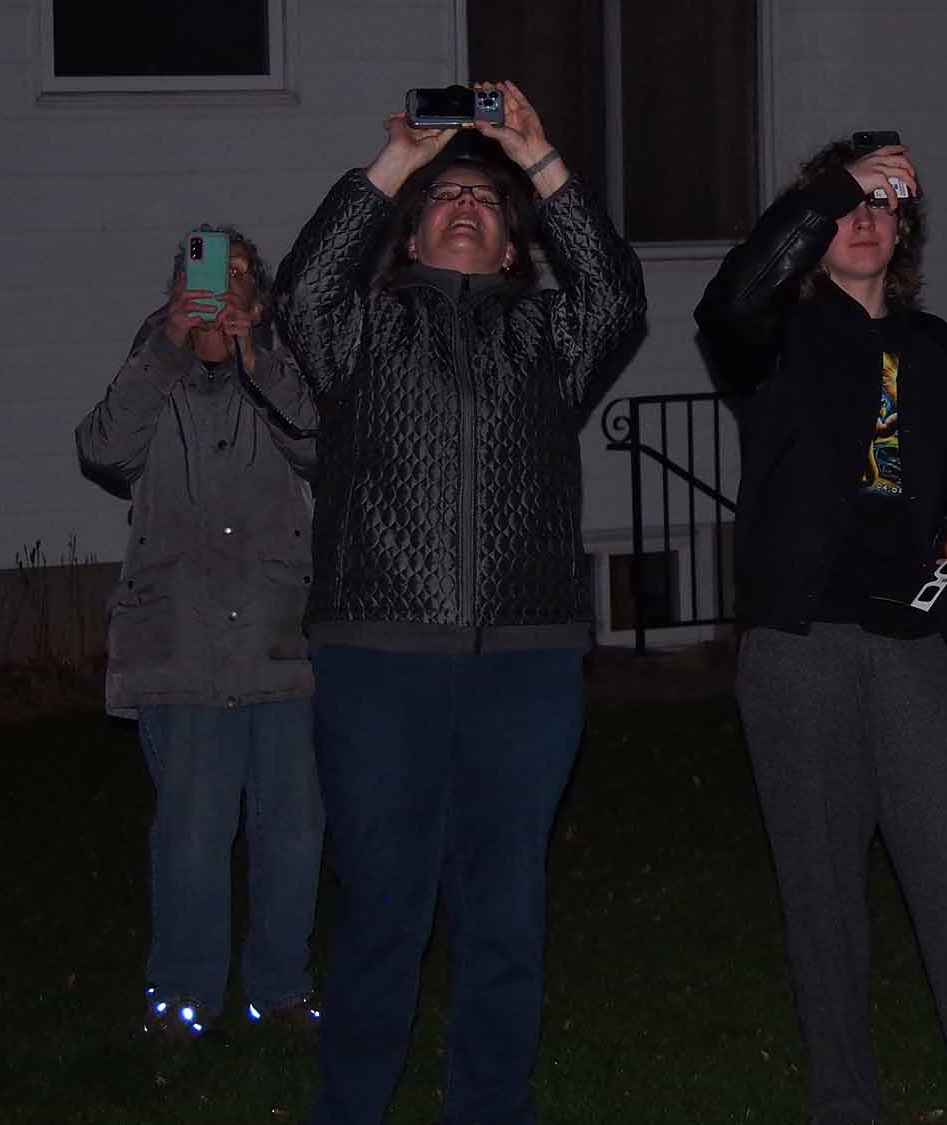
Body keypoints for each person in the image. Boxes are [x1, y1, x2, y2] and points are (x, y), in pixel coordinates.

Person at [272, 81, 645, 1125]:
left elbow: (616, 296)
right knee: (382, 911)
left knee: (504, 915)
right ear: (409, 234)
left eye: (486, 199)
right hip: (379, 661)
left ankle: (490, 1108)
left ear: (517, 248)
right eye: (444, 197)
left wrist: (539, 158)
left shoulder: (550, 341)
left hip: (524, 664)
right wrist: (397, 157)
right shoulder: (359, 337)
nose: (466, 204)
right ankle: (349, 1107)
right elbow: (301, 292)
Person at [695, 137, 947, 1125]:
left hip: (915, 643)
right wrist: (827, 189)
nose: (865, 220)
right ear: (811, 226)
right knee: (823, 907)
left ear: (904, 232)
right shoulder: (769, 333)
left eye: (883, 206)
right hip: (798, 644)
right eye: (847, 206)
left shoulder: (936, 346)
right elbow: (727, 296)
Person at [74, 227, 325, 1041]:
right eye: (206, 273)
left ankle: (280, 985)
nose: (223, 289)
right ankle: (182, 993)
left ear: (262, 297)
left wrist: (259, 356)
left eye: (241, 275)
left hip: (277, 641)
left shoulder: (283, 371)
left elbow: (325, 447)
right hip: (177, 645)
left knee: (292, 828)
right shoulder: (155, 371)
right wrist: (170, 343)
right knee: (192, 829)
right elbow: (104, 450)